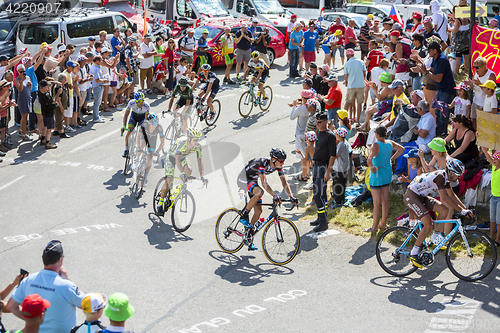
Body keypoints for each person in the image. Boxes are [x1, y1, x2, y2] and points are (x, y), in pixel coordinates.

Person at [406, 158, 472, 268]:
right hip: (412, 196)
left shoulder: (446, 178)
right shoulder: (441, 177)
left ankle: (434, 239)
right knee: (428, 224)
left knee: (444, 210)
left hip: (421, 196)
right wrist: (461, 210)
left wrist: (465, 209)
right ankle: (414, 252)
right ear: (451, 172)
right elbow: (445, 198)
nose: (459, 178)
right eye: (458, 175)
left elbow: (452, 195)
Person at [6, 240, 85, 333]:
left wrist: (32, 320)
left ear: (42, 258)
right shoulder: (66, 285)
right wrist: (67, 279)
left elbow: (11, 306)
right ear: (60, 260)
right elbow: (88, 305)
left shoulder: (28, 280)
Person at [236, 148, 299, 249]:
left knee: (258, 211)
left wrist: (291, 196)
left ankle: (248, 235)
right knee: (260, 192)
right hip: (243, 178)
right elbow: (264, 183)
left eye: (284, 161)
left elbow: (284, 182)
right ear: (274, 160)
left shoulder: (278, 166)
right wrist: (274, 195)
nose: (282, 163)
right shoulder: (262, 163)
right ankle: (244, 216)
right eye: (281, 161)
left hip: (252, 180)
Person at [156, 128, 206, 217]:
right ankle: (160, 203)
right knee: (169, 180)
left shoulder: (198, 146)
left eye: (198, 139)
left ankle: (180, 186)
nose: (196, 141)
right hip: (172, 156)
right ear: (189, 138)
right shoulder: (182, 143)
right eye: (195, 139)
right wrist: (182, 172)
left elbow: (199, 161)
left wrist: (202, 176)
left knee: (189, 171)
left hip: (182, 157)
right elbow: (177, 159)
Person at [365, 126, 404, 232]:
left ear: (376, 134)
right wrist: (391, 158)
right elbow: (402, 149)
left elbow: (369, 160)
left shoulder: (375, 145)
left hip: (377, 175)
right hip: (387, 173)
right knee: (385, 201)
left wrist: (372, 168)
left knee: (377, 203)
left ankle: (374, 227)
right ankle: (383, 224)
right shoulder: (390, 143)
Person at [310, 112, 336, 232]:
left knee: (317, 195)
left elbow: (332, 155)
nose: (317, 124)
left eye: (320, 122)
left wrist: (328, 171)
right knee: (321, 194)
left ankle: (323, 222)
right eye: (316, 122)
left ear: (326, 122)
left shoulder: (330, 136)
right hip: (316, 165)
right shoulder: (318, 132)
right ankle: (321, 218)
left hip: (323, 167)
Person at [422, 41, 455, 136]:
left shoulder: (442, 59)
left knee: (443, 114)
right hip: (440, 90)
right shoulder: (435, 58)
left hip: (447, 91)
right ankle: (439, 131)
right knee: (437, 112)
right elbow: (431, 69)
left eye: (429, 51)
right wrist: (422, 70)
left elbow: (438, 78)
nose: (428, 53)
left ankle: (443, 133)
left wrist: (426, 73)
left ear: (435, 51)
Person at [133, 113, 165, 186]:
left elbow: (162, 142)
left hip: (152, 140)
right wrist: (138, 148)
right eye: (152, 124)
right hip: (144, 137)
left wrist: (157, 152)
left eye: (155, 124)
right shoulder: (144, 125)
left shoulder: (159, 127)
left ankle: (145, 177)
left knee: (150, 158)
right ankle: (136, 159)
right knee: (141, 145)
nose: (154, 126)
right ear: (149, 123)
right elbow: (138, 136)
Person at [289, 90, 315, 181]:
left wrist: (294, 106)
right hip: (311, 134)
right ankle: (307, 172)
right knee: (309, 155)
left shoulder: (300, 109)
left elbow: (292, 117)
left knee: (303, 157)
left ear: (304, 98)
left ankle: (304, 175)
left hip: (300, 134)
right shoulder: (316, 105)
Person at [466, 57, 496, 129]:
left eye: (477, 67)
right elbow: (473, 87)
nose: (475, 69)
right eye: (474, 67)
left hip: (485, 104)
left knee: (483, 122)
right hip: (476, 101)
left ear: (484, 67)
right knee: (473, 120)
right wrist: (470, 84)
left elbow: (491, 91)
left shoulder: (491, 75)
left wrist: (480, 84)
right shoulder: (476, 74)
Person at [480, 147, 500, 246]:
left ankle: (498, 240)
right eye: (494, 158)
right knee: (492, 219)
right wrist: (483, 146)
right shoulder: (493, 166)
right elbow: (487, 154)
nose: (494, 160)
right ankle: (491, 238)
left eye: (496, 159)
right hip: (493, 197)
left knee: (499, 221)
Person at [122, 92, 150, 158]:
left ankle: (139, 147)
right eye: (139, 101)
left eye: (142, 100)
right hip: (134, 117)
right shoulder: (131, 103)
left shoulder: (146, 105)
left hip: (142, 118)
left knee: (140, 132)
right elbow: (126, 115)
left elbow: (146, 119)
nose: (141, 102)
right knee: (129, 133)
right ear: (136, 101)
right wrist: (124, 126)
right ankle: (126, 150)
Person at [343, 48, 366, 124]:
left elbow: (346, 75)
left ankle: (343, 120)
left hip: (351, 86)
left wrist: (346, 82)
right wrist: (363, 80)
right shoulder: (361, 62)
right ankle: (358, 121)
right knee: (359, 103)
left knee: (347, 102)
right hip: (360, 85)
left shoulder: (347, 63)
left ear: (347, 55)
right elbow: (364, 73)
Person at [331, 127, 350, 209]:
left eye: (336, 134)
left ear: (339, 136)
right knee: (342, 183)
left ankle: (338, 202)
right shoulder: (345, 143)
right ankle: (341, 198)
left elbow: (335, 155)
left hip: (339, 168)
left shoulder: (341, 145)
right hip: (344, 168)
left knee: (337, 185)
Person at [38, 80, 59, 149]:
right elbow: (53, 102)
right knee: (49, 129)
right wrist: (58, 93)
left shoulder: (40, 93)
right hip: (49, 113)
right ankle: (47, 142)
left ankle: (43, 139)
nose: (48, 87)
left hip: (44, 111)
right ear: (43, 87)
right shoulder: (47, 96)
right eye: (46, 86)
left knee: (45, 125)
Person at [14, 64, 33, 141]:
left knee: (26, 116)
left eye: (24, 71)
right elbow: (20, 89)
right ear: (18, 72)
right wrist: (21, 81)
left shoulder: (27, 77)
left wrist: (30, 84)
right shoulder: (17, 79)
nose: (22, 73)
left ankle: (22, 130)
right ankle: (24, 135)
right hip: (22, 99)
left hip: (28, 98)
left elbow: (30, 89)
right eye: (21, 72)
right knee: (24, 116)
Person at [450, 6, 470, 75]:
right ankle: (466, 70)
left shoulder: (458, 20)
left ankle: (456, 72)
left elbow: (455, 30)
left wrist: (449, 28)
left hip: (459, 42)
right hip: (467, 40)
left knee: (458, 57)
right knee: (466, 55)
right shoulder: (467, 18)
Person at [89, 55, 109, 123]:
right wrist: (105, 80)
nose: (102, 61)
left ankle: (97, 116)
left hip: (97, 86)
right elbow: (97, 80)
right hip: (98, 86)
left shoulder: (94, 66)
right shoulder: (96, 68)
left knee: (97, 102)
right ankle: (96, 118)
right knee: (97, 103)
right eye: (101, 60)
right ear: (97, 61)